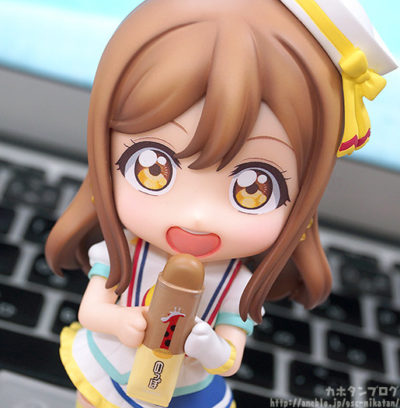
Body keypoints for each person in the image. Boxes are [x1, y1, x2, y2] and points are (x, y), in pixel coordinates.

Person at [45, 0, 397, 407]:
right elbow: (90, 312)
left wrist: (208, 347)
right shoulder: (121, 253)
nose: (197, 217)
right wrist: (120, 321)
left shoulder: (235, 285)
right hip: (109, 370)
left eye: (253, 189)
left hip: (183, 391)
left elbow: (231, 358)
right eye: (153, 168)